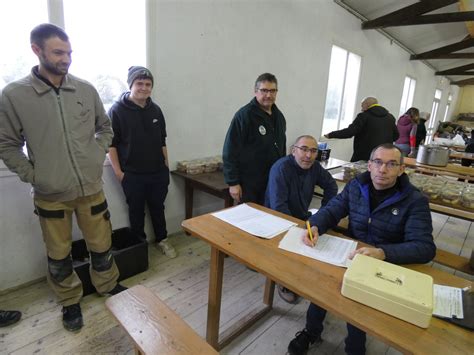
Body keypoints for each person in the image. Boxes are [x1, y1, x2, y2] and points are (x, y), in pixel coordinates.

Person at [0, 23, 126, 332]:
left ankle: (107, 285)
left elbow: (105, 128)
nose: (66, 59)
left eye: (69, 52)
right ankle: (70, 302)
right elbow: (7, 144)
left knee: (101, 245)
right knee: (59, 255)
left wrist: (96, 156)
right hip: (50, 194)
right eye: (58, 52)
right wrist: (34, 175)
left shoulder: (85, 89)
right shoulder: (15, 96)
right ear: (37, 50)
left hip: (90, 189)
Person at [288, 143, 436, 355]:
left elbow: (424, 248)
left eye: (391, 164)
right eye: (378, 162)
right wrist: (315, 226)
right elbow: (332, 210)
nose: (382, 170)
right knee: (321, 287)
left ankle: (354, 349)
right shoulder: (356, 186)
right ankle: (311, 332)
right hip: (349, 251)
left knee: (357, 301)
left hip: (383, 262)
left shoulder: (414, 200)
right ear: (369, 165)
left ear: (402, 169)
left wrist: (383, 252)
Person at [108, 66, 176, 258]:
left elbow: (162, 140)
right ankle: (139, 248)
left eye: (148, 84)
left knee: (158, 208)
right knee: (136, 213)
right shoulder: (117, 111)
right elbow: (111, 146)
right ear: (131, 84)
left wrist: (166, 166)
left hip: (157, 172)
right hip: (132, 174)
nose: (144, 88)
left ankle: (162, 240)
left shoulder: (155, 110)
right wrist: (120, 174)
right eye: (139, 83)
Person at [265, 135, 338, 303]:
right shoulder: (281, 168)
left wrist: (324, 213)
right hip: (276, 218)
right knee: (293, 246)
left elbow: (331, 185)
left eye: (313, 151)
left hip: (302, 216)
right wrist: (299, 227)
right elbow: (279, 208)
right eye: (304, 149)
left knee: (321, 238)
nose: (308, 155)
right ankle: (283, 281)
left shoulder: (314, 167)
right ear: (293, 150)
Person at [223, 73, 286, 205]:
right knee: (248, 220)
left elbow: (281, 148)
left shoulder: (279, 117)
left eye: (272, 91)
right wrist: (233, 182)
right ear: (255, 91)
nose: (268, 95)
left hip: (272, 182)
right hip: (249, 183)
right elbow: (230, 150)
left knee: (270, 218)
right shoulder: (244, 116)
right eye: (264, 90)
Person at [324, 97, 399, 162]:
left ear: (366, 104)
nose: (361, 109)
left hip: (364, 156)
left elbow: (350, 132)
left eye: (362, 106)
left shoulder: (364, 116)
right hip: (384, 156)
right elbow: (396, 136)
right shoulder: (390, 117)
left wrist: (331, 134)